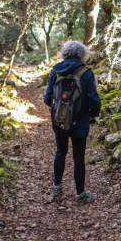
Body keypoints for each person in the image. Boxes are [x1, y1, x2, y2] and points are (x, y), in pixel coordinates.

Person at [44, 40, 101, 204]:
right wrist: (92, 115)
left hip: (59, 120)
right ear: (82, 54)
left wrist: (60, 110)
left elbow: (48, 98)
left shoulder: (55, 71)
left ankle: (56, 187)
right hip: (80, 121)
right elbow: (94, 100)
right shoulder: (86, 72)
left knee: (60, 152)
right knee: (78, 158)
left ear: (65, 53)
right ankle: (80, 195)